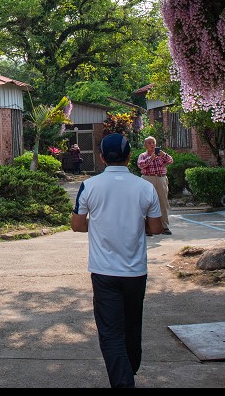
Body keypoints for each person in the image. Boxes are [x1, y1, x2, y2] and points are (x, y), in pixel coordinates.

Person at [72, 132, 162, 388]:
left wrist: (102, 223)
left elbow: (77, 225)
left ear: (101, 158)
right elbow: (155, 228)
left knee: (111, 332)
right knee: (133, 325)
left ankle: (124, 381)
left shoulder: (90, 186)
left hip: (104, 272)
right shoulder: (145, 187)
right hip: (135, 272)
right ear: (130, 156)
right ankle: (129, 372)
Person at [138, 137, 173, 235]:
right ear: (145, 145)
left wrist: (163, 155)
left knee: (163, 202)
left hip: (161, 178)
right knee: (146, 202)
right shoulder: (143, 155)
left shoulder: (161, 155)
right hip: (148, 179)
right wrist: (150, 159)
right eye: (149, 143)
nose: (152, 144)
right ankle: (147, 228)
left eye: (153, 142)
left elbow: (170, 161)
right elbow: (140, 165)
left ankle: (164, 226)